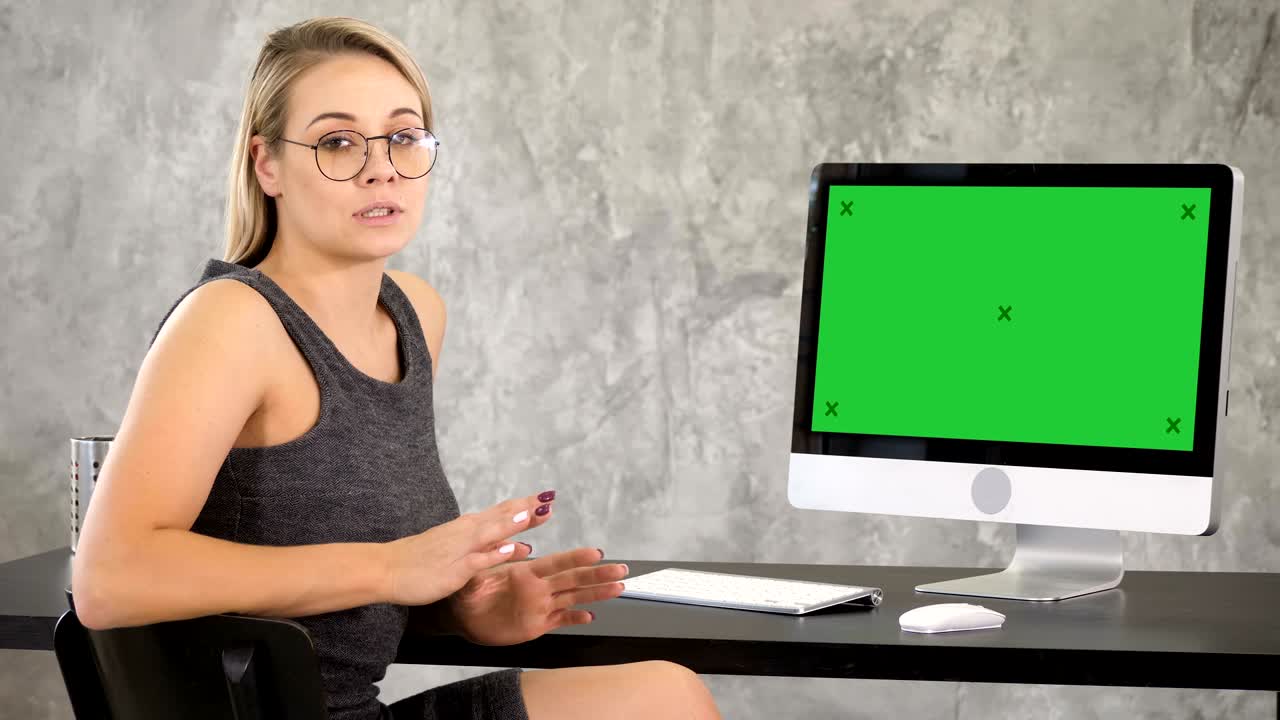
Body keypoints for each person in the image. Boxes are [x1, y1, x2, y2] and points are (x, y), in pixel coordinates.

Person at [70, 15, 722, 720]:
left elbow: (352, 587)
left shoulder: (413, 314)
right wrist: (393, 567)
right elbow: (110, 579)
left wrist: (463, 608)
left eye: (404, 137)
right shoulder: (232, 319)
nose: (381, 168)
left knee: (663, 694)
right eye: (338, 142)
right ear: (267, 165)